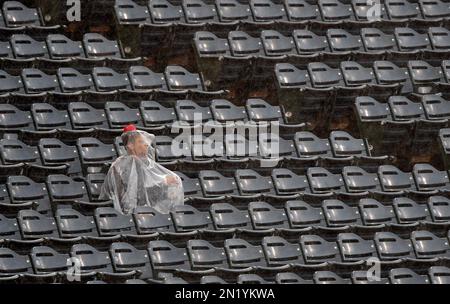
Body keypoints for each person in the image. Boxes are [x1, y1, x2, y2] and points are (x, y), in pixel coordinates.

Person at [99, 124, 184, 214]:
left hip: (145, 211)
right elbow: (131, 197)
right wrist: (163, 182)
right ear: (130, 145)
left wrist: (167, 190)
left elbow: (148, 195)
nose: (146, 145)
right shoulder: (121, 166)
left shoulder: (145, 163)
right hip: (129, 215)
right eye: (140, 142)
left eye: (145, 142)